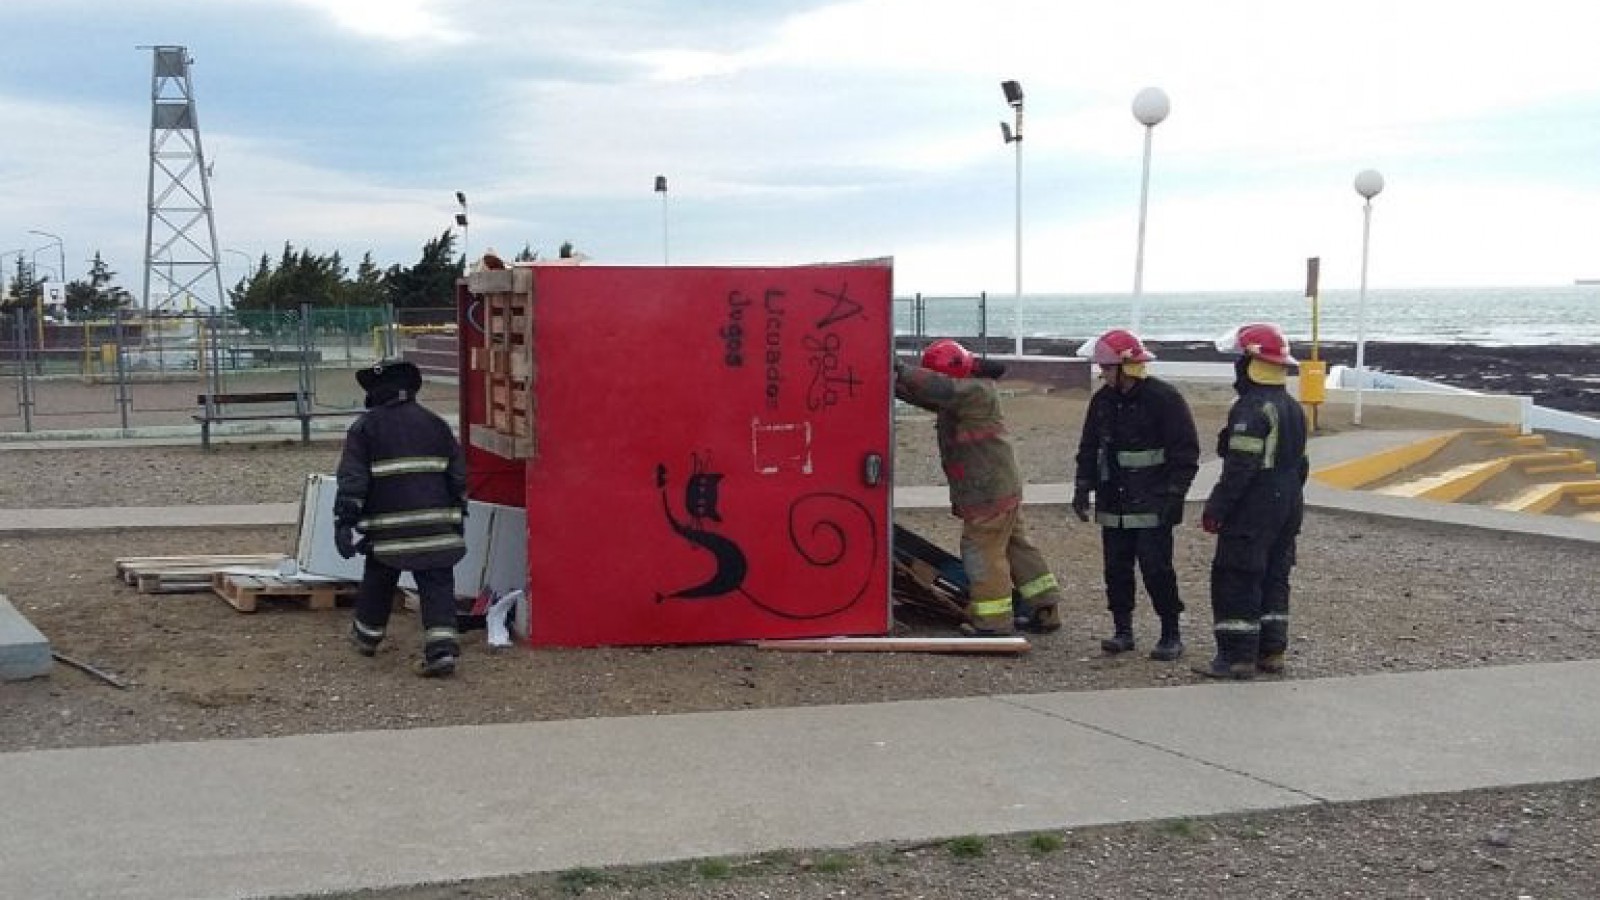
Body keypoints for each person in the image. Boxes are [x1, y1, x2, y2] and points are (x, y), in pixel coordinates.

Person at [895, 339, 1064, 635]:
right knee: (1017, 546)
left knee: (983, 552)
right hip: (1000, 488)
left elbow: (939, 388)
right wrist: (894, 383)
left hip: (987, 494)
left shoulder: (973, 392)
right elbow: (929, 395)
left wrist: (898, 368)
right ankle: (1044, 608)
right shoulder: (970, 391)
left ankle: (993, 623)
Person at [1071, 329, 1200, 661]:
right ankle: (1122, 631)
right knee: (1116, 569)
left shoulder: (1164, 399)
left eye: (1108, 367)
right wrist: (1082, 486)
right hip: (1113, 501)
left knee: (1157, 569)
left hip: (1152, 501)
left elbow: (1185, 452)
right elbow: (1089, 447)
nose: (1102, 373)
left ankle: (1171, 633)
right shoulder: (1102, 401)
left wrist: (1175, 495)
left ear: (1127, 366)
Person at [336, 359, 469, 677]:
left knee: (379, 578)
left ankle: (366, 638)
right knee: (437, 585)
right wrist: (456, 515)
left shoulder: (365, 428)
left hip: (388, 532)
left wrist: (344, 520)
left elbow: (354, 479)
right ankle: (441, 651)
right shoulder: (436, 424)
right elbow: (458, 475)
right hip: (437, 528)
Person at [1196, 323, 1309, 680]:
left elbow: (1240, 467)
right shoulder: (1292, 407)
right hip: (1289, 498)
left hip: (1255, 502)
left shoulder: (1252, 409)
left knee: (1237, 575)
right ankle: (1272, 650)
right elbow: (1301, 463)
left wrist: (1217, 508)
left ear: (1250, 364)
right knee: (1275, 574)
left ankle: (1236, 656)